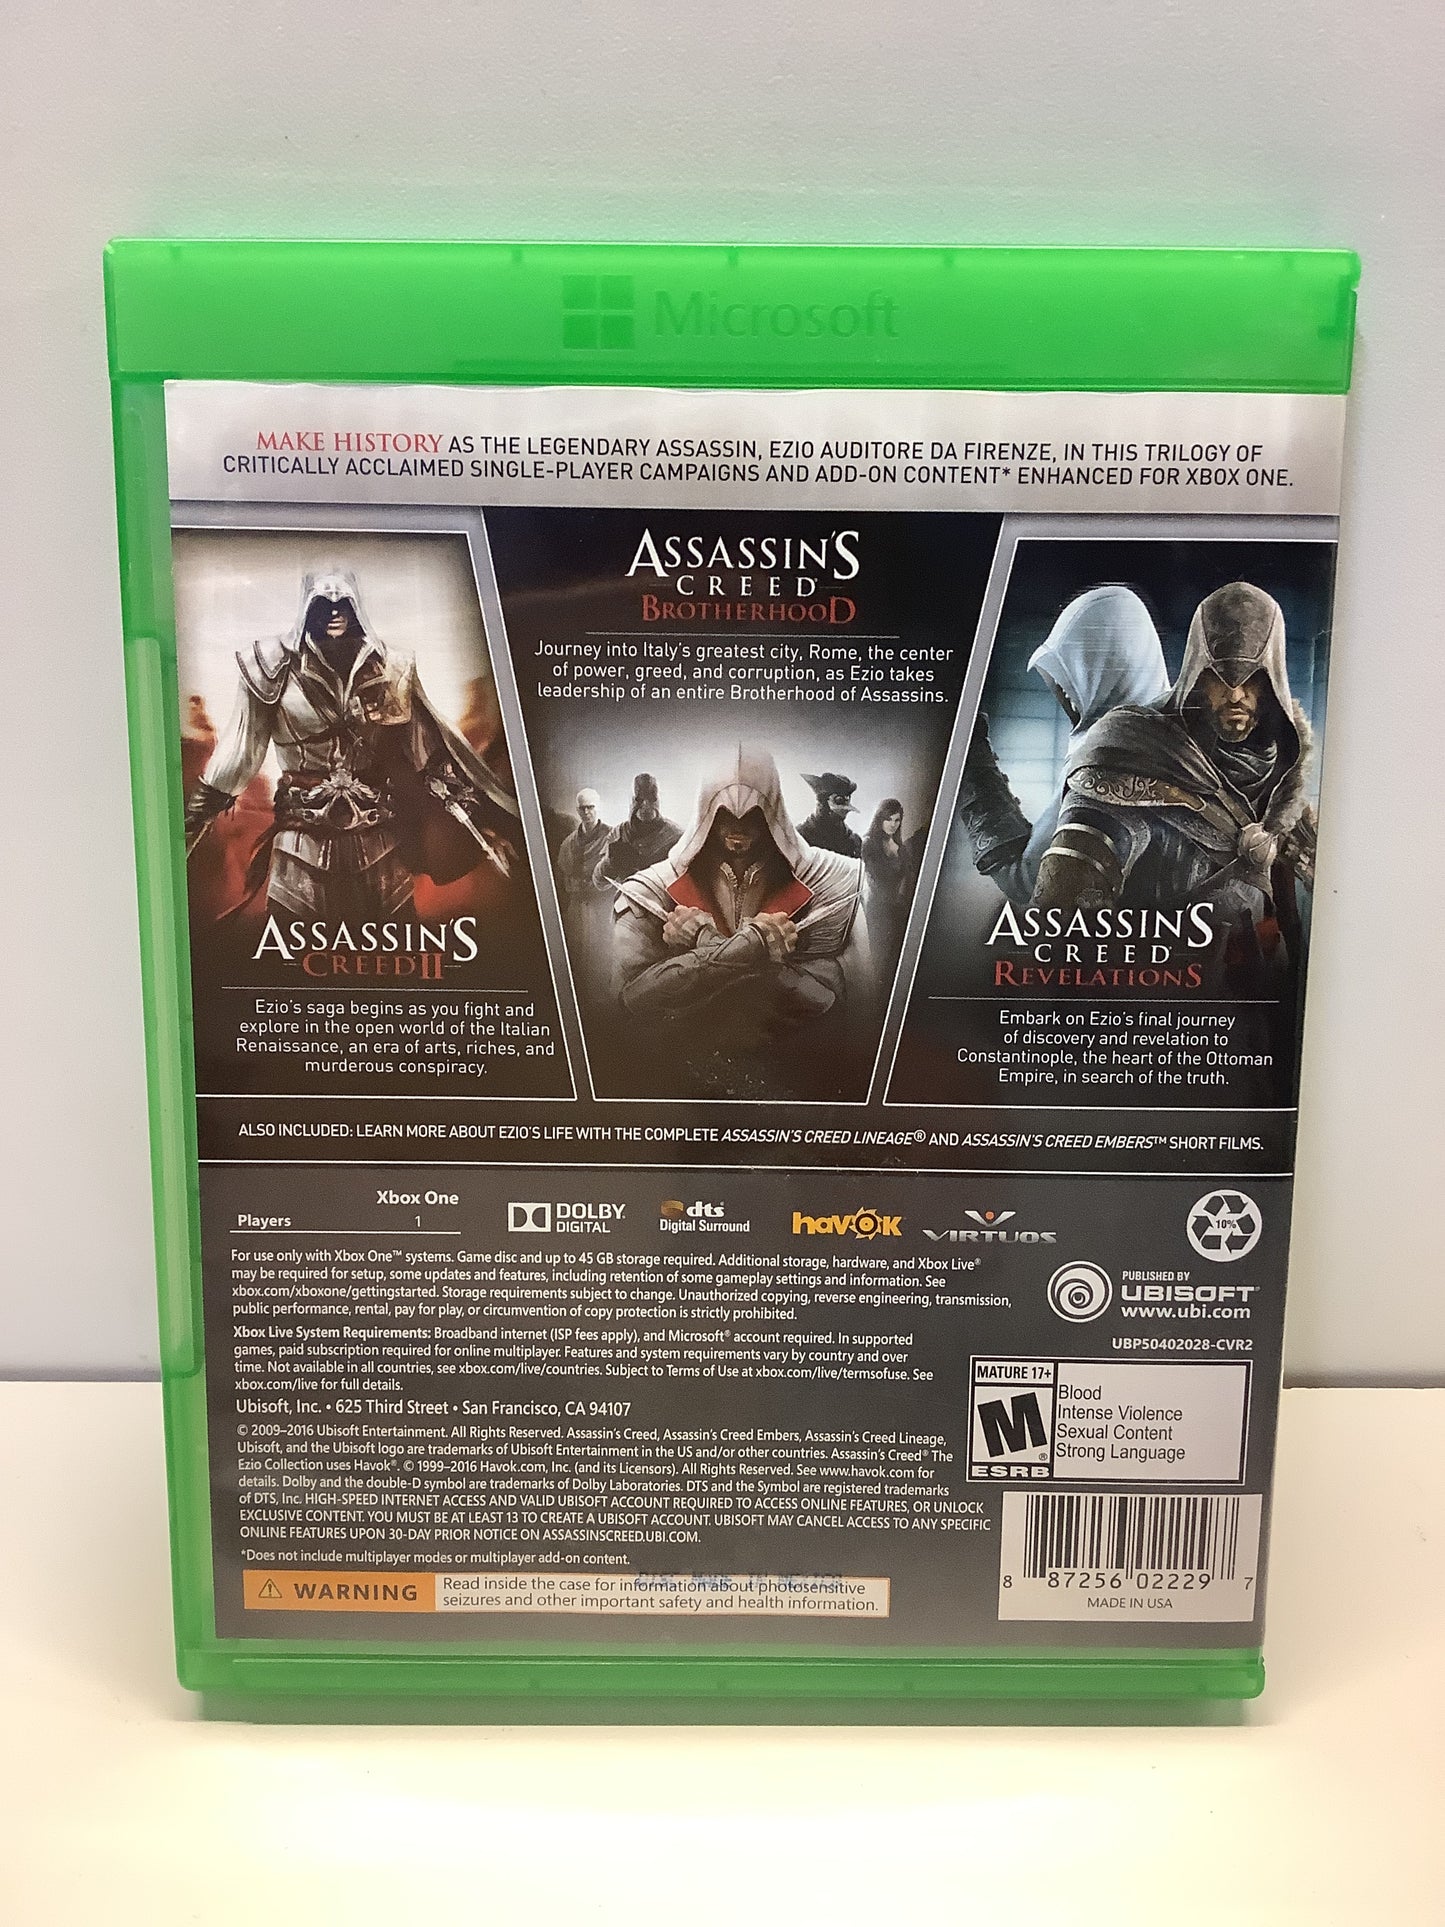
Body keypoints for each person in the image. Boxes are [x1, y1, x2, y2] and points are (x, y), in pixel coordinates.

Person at [183, 568, 518, 921]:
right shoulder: (268, 666)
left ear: (356, 606)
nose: (334, 613)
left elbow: (426, 753)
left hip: (379, 842)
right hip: (301, 843)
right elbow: (240, 753)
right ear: (306, 608)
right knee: (294, 945)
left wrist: (473, 821)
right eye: (322, 604)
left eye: (342, 603)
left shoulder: (392, 667)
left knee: (394, 943)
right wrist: (192, 823)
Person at [1032, 581, 1316, 960]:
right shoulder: (1131, 750)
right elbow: (1059, 924)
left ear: (1274, 681)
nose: (1235, 694)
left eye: (1252, 678)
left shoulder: (1281, 772)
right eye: (1220, 677)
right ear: (1197, 672)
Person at [611, 745, 870, 1087]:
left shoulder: (838, 882)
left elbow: (841, 1006)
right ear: (706, 810)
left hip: (793, 1079)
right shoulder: (648, 891)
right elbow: (629, 1004)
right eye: (723, 814)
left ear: (772, 810)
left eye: (753, 814)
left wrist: (704, 941)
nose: (738, 826)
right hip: (678, 1083)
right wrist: (756, 944)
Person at [956, 584, 1170, 902]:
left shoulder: (1109, 758)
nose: (1062, 690)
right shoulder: (1175, 737)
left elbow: (1028, 879)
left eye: (1077, 670)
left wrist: (973, 762)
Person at [555, 788, 614, 995]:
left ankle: (602, 993)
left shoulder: (613, 837)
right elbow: (563, 875)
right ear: (577, 810)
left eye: (591, 807)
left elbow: (618, 873)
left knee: (603, 949)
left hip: (603, 905)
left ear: (598, 807)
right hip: (577, 906)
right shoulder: (569, 843)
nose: (587, 812)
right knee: (575, 949)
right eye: (582, 808)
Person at [594, 773, 681, 886]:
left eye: (651, 798)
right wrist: (610, 862)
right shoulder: (619, 832)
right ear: (632, 801)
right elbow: (599, 881)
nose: (646, 805)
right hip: (627, 895)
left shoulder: (675, 835)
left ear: (658, 800)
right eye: (640, 799)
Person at [862, 798, 914, 959]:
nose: (893, 824)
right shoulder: (868, 844)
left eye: (897, 820)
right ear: (880, 819)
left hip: (897, 909)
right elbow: (870, 878)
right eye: (888, 819)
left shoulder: (902, 849)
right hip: (876, 909)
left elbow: (906, 879)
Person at [798, 771, 863, 856]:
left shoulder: (852, 842)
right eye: (839, 800)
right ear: (822, 803)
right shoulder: (800, 836)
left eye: (847, 799)